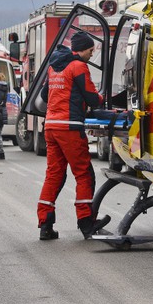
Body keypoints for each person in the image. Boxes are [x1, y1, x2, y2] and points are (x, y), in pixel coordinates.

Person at [37, 31, 110, 241]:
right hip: (69, 127)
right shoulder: (78, 66)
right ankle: (86, 223)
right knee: (84, 174)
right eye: (90, 50)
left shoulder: (53, 67)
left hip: (51, 126)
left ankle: (45, 224)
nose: (91, 53)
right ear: (80, 50)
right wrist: (101, 98)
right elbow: (92, 97)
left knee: (54, 175)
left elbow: (44, 95)